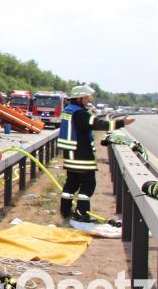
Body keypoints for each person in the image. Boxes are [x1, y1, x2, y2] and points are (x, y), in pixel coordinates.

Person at [57, 85, 135, 222]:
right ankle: (82, 214)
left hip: (70, 155)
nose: (88, 100)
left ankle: (65, 212)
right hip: (82, 156)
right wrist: (121, 122)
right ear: (80, 98)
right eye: (86, 97)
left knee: (71, 184)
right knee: (88, 185)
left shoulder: (68, 110)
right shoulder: (80, 113)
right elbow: (99, 124)